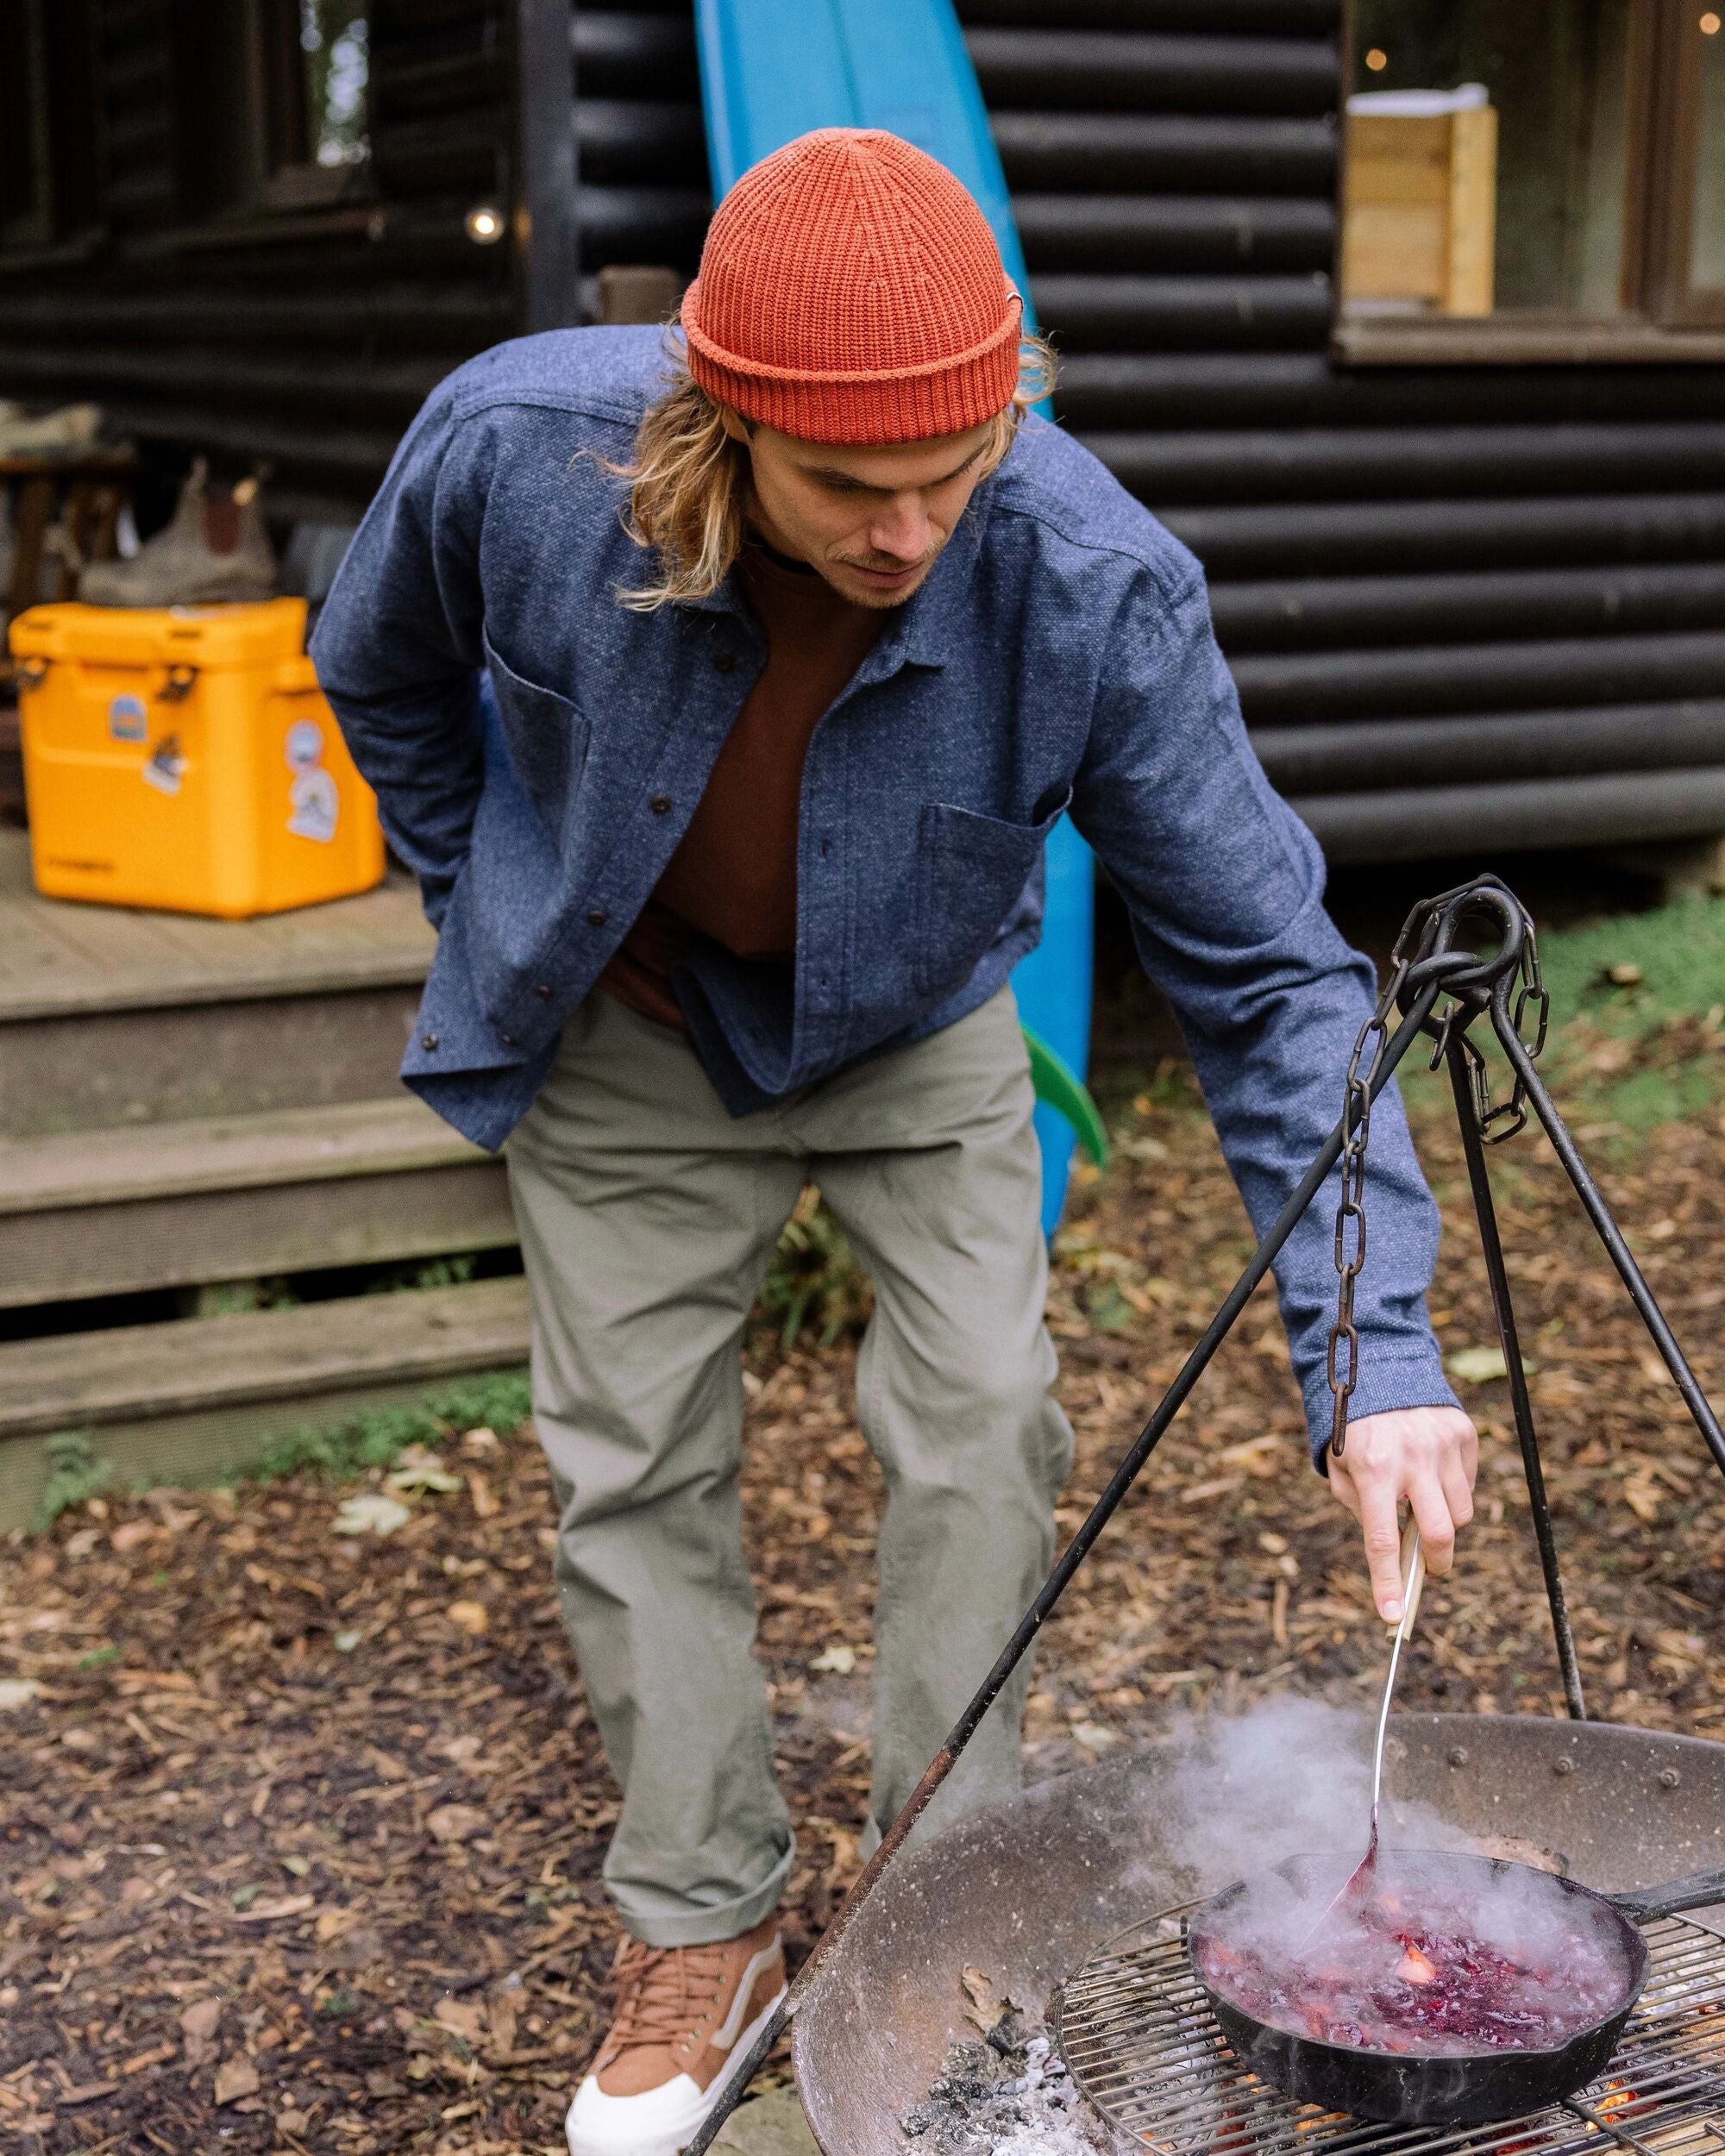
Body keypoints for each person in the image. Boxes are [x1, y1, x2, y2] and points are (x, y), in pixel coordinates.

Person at [312, 128, 1477, 2156]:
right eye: (851, 484)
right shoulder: (514, 450)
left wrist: (1375, 1357)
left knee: (980, 1419)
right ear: (720, 418)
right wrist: (482, 895)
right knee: (631, 1460)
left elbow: (1275, 981)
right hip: (628, 1016)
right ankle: (708, 1924)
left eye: (954, 467)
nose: (908, 525)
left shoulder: (1094, 582)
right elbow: (376, 666)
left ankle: (949, 1916)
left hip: (920, 1019)